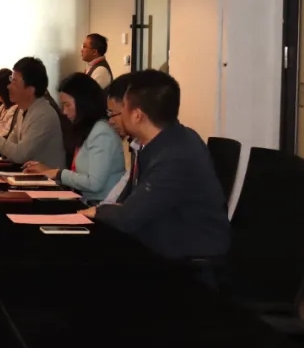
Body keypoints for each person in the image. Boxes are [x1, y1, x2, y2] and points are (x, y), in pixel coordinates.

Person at [79, 70, 231, 260]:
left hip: (185, 256)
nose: (116, 116)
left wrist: (98, 211)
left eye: (123, 106)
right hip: (162, 236)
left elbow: (129, 217)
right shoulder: (168, 139)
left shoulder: (175, 156)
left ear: (137, 115)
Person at [23, 74, 125, 203]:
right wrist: (49, 171)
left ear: (83, 103)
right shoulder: (86, 130)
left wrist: (57, 173)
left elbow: (94, 183)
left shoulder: (101, 132)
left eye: (67, 105)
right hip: (87, 201)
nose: (64, 112)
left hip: (102, 205)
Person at [0, 57, 66, 169]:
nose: (8, 86)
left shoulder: (43, 114)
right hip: (27, 175)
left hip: (47, 178)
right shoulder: (22, 110)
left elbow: (19, 155)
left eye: (14, 81)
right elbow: (9, 147)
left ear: (30, 89)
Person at [101, 73, 140, 204]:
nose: (111, 121)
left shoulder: (162, 151)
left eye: (112, 113)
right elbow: (123, 185)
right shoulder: (137, 144)